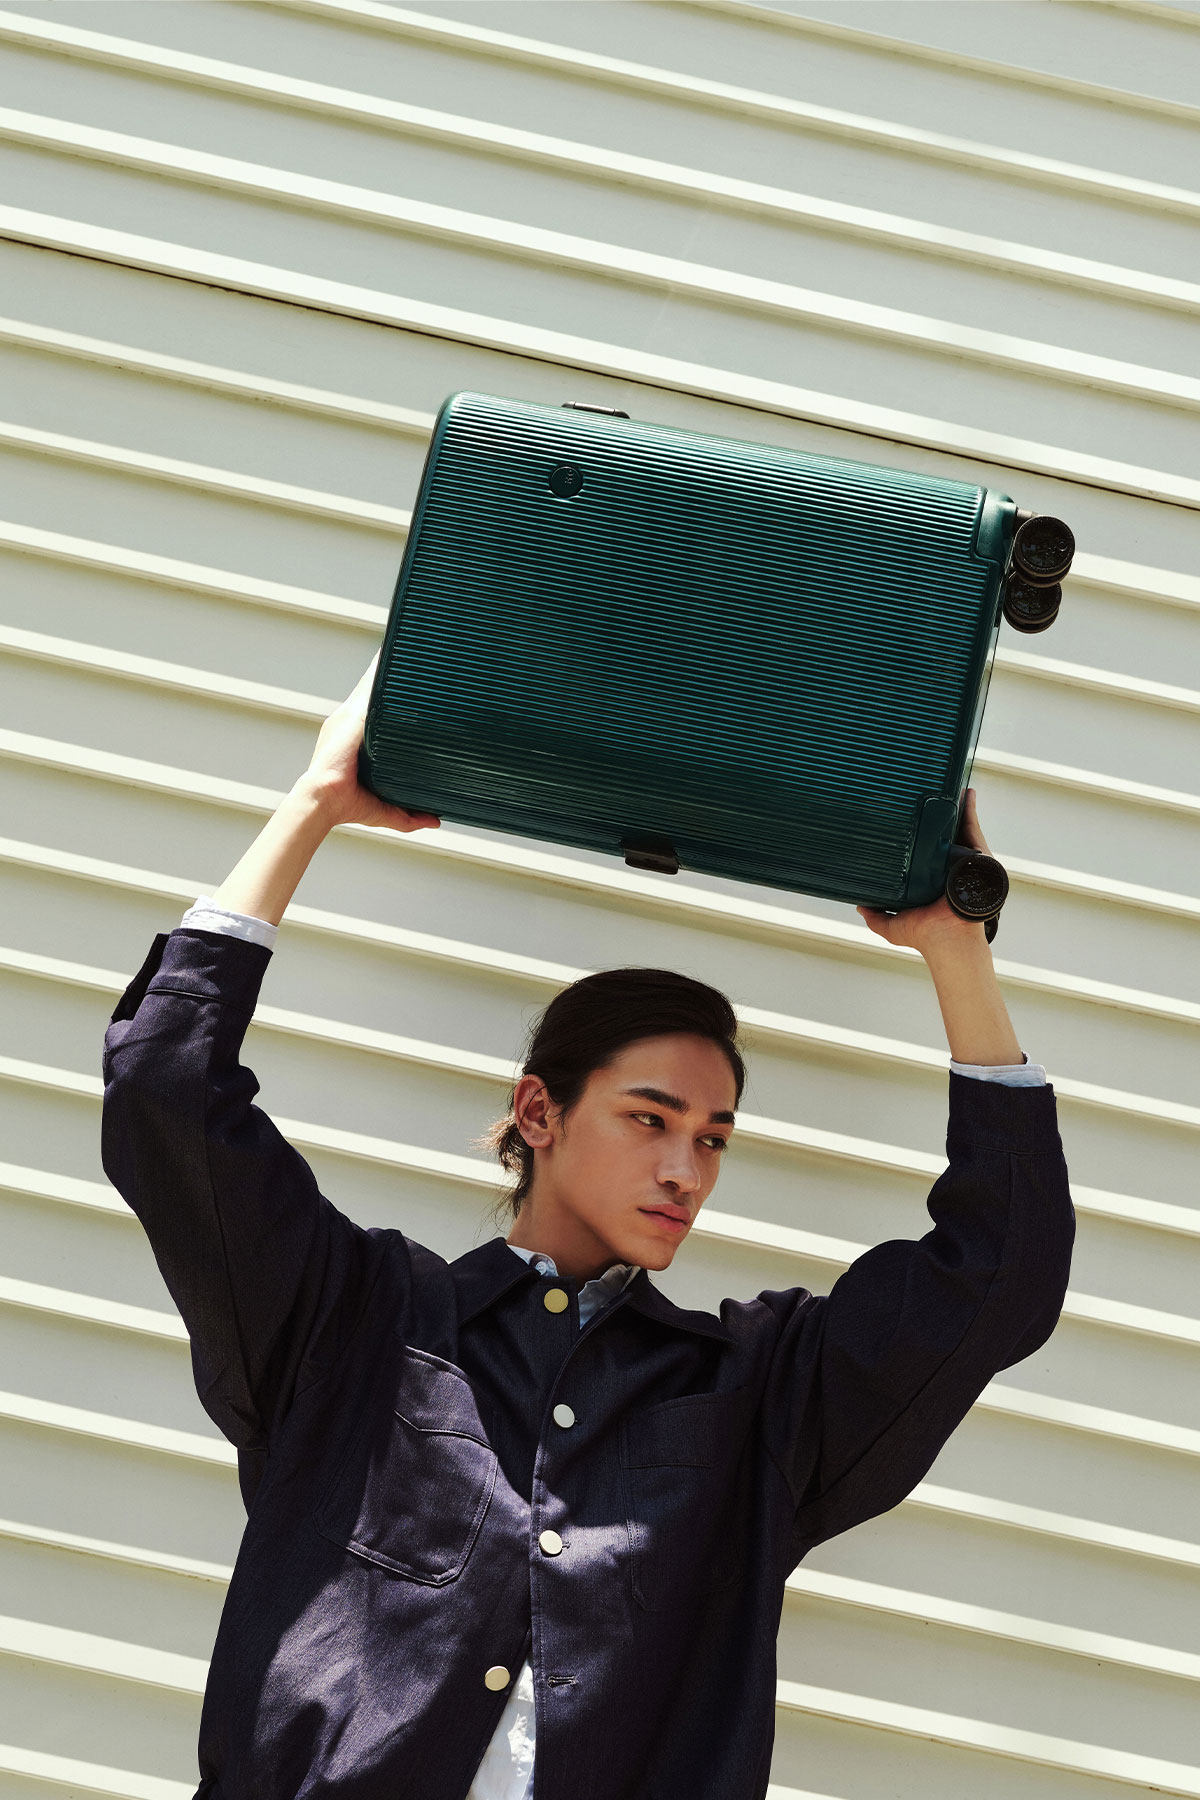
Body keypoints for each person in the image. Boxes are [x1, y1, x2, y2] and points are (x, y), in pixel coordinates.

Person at [100, 655, 1074, 1800]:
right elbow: (167, 1087)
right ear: (538, 1114)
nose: (685, 1169)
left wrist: (956, 947)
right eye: (650, 1119)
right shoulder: (349, 1323)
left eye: (713, 1138)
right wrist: (315, 803)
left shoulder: (755, 1395)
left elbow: (999, 1274)